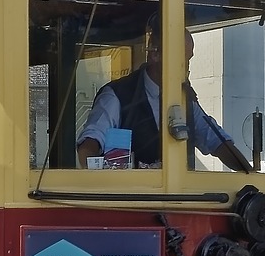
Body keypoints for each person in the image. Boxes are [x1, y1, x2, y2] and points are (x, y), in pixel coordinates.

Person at [77, 20, 252, 172]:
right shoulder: (116, 95)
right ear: (155, 54)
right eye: (181, 60)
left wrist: (251, 177)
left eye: (188, 60)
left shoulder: (186, 100)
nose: (186, 67)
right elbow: (90, 143)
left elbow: (216, 140)